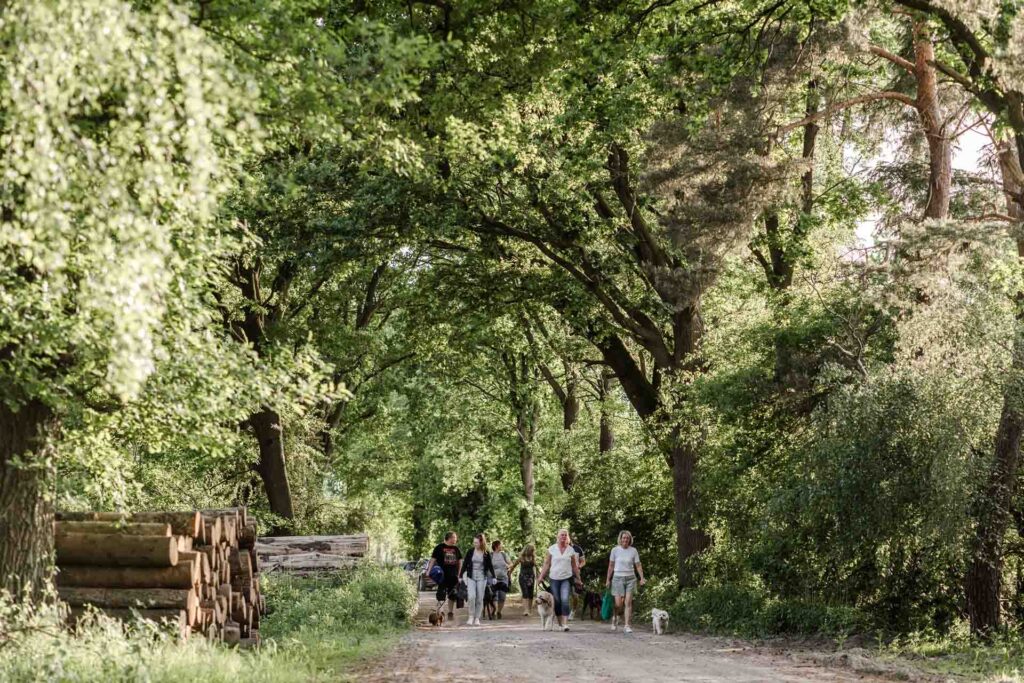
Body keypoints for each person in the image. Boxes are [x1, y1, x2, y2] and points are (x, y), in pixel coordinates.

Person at [537, 528, 583, 632]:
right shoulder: (552, 549)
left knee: (565, 599)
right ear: (557, 537)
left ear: (568, 537)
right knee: (557, 601)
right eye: (561, 535)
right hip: (554, 578)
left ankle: (565, 624)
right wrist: (541, 576)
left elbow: (574, 566)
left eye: (565, 535)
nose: (563, 537)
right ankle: (560, 623)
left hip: (567, 578)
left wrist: (578, 579)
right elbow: (547, 564)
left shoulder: (571, 550)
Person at [605, 530, 646, 634]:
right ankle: (614, 618)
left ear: (630, 539)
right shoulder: (615, 550)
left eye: (627, 538)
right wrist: (608, 580)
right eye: (624, 538)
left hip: (631, 578)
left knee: (628, 602)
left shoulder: (633, 550)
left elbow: (638, 565)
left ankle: (627, 625)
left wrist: (641, 578)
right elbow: (611, 566)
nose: (625, 540)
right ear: (620, 539)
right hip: (617, 578)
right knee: (618, 604)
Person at [459, 532, 495, 626]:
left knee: (479, 598)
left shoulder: (486, 553)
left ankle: (477, 618)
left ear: (481, 543)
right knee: (471, 596)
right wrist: (460, 575)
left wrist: (494, 576)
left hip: (482, 577)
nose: (475, 544)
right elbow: (465, 564)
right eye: (474, 542)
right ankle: (471, 616)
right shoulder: (470, 551)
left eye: (476, 543)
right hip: (471, 576)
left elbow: (490, 565)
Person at [425, 531, 462, 620]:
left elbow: (460, 562)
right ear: (449, 538)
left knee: (452, 595)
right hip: (442, 575)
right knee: (441, 594)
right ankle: (441, 612)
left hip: (453, 575)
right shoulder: (439, 547)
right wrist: (428, 571)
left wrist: (459, 574)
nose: (456, 539)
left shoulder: (456, 549)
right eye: (454, 537)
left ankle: (450, 612)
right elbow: (433, 560)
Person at [510, 544, 537, 616]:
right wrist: (509, 573)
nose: (533, 551)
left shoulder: (533, 557)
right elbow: (513, 566)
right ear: (528, 550)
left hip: (531, 577)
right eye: (532, 550)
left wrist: (539, 576)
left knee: (531, 594)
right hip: (523, 577)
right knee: (525, 593)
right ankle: (526, 610)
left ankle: (530, 609)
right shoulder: (521, 557)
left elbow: (536, 567)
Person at [490, 539, 513, 619]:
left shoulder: (504, 555)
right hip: (493, 579)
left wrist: (508, 566)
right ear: (496, 546)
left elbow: (510, 564)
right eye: (501, 545)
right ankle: (494, 611)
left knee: (502, 596)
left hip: (503, 578)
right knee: (494, 596)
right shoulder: (491, 555)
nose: (502, 546)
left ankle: (499, 611)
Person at [568, 533, 586, 621]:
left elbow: (583, 561)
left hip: (575, 574)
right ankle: (564, 612)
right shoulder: (561, 548)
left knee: (575, 595)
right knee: (564, 594)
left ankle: (573, 611)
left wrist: (579, 566)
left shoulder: (578, 549)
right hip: (564, 574)